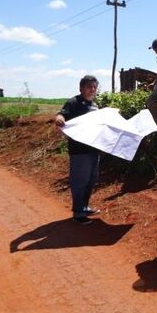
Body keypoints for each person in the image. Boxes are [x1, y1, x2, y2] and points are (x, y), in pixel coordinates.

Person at [55, 75, 101, 225]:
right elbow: (62, 114)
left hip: (94, 149)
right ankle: (78, 213)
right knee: (80, 181)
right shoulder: (73, 102)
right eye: (89, 86)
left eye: (95, 87)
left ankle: (84, 207)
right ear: (81, 88)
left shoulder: (95, 106)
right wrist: (60, 118)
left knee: (91, 180)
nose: (92, 89)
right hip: (79, 151)